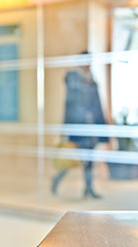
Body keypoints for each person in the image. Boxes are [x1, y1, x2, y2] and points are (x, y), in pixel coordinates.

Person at [51, 52, 109, 198]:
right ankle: (57, 179)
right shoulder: (74, 79)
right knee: (73, 159)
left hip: (92, 128)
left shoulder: (92, 80)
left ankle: (88, 188)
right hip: (79, 128)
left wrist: (102, 128)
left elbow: (97, 105)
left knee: (89, 160)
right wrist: (66, 129)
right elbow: (69, 105)